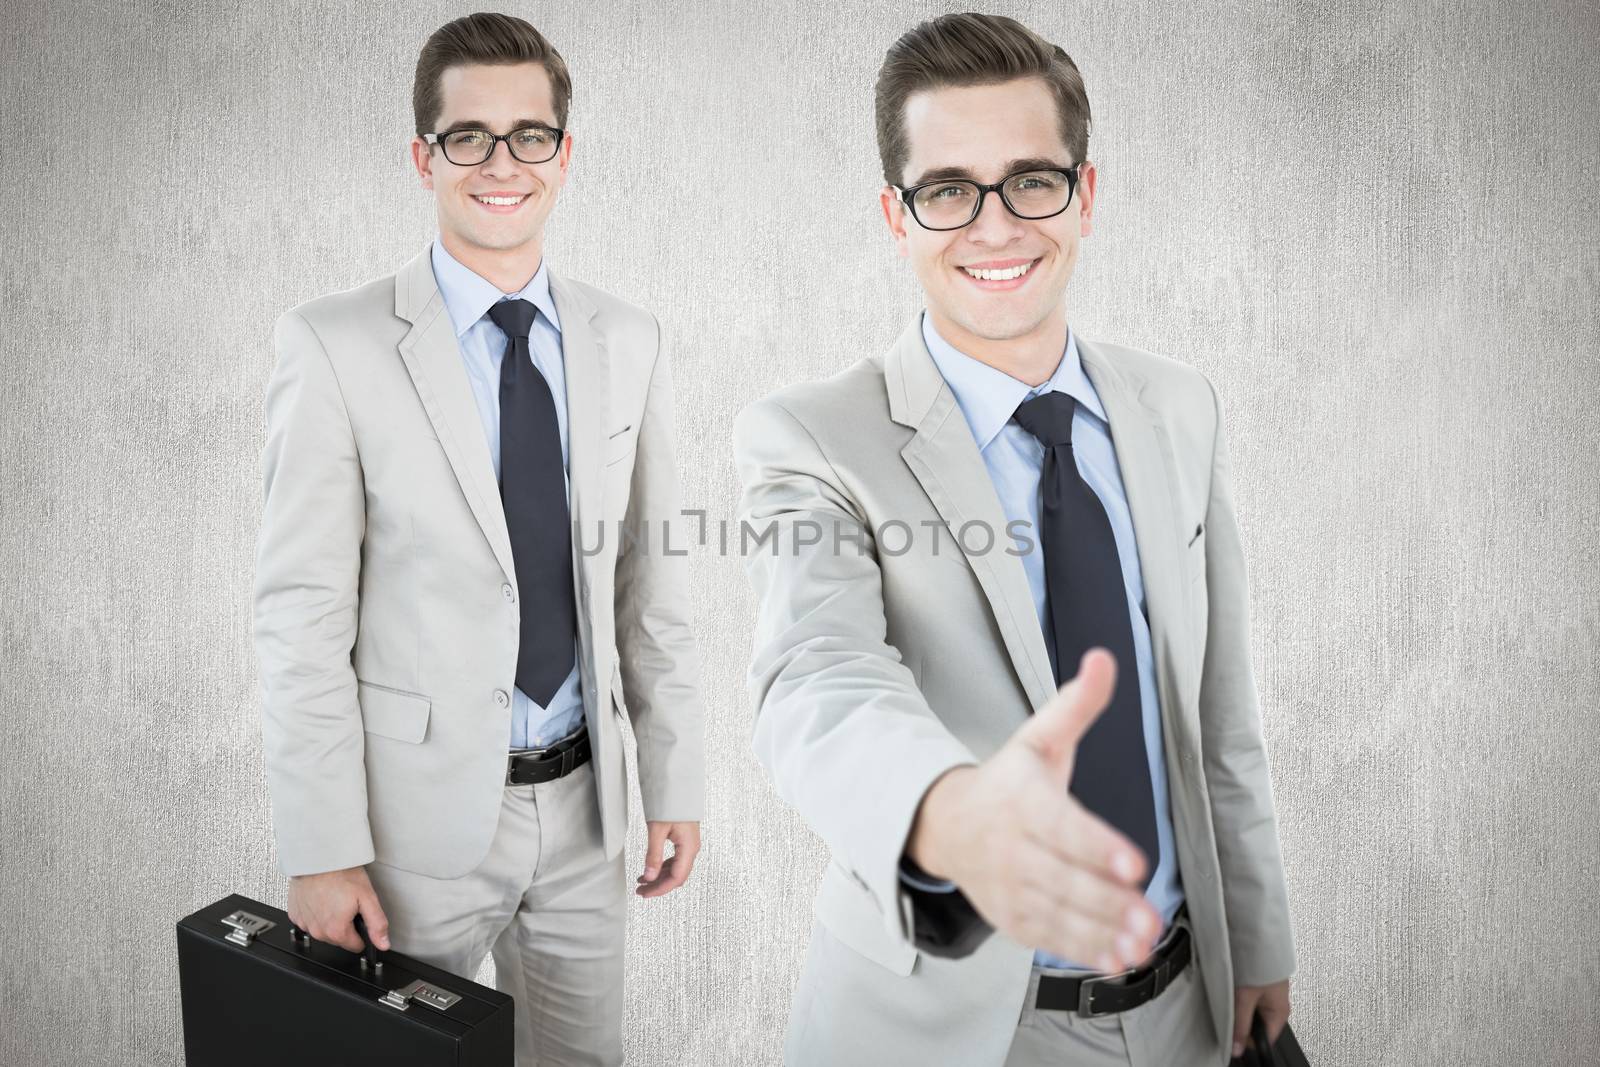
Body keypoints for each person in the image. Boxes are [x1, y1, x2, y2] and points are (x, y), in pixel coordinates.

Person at [733, 13, 1294, 1066]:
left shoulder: (1178, 404)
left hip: (1188, 1001)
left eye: (1030, 180)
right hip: (958, 1029)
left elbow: (1220, 714)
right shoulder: (811, 436)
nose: (993, 227)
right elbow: (816, 673)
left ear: (1083, 195)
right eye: (947, 190)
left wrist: (1256, 936)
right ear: (896, 217)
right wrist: (947, 815)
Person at [252, 13, 704, 1065]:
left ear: (564, 152)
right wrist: (322, 847)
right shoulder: (334, 342)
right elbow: (300, 614)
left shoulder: (626, 338)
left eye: (529, 136)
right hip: (419, 829)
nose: (502, 164)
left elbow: (650, 581)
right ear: (425, 157)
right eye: (469, 137)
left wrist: (674, 777)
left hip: (592, 812)